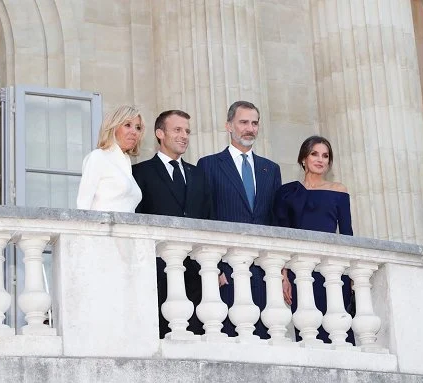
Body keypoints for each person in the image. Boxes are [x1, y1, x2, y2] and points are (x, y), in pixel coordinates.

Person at [197, 101, 282, 339]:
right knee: (229, 338)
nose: (250, 128)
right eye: (243, 122)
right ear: (229, 126)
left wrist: (281, 270)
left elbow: (275, 221)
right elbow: (205, 218)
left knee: (267, 339)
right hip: (226, 270)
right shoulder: (209, 165)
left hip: (265, 272)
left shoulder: (271, 169)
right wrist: (213, 267)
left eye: (254, 123)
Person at [132, 110, 212, 338]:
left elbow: (208, 219)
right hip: (157, 272)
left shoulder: (199, 175)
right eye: (177, 130)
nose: (184, 135)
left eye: (187, 131)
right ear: (160, 133)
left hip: (197, 274)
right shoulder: (139, 173)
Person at [274, 135, 354, 344]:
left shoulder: (338, 190)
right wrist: (283, 275)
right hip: (300, 270)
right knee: (308, 332)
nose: (320, 159)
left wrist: (353, 274)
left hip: (332, 271)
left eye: (325, 156)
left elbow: (347, 234)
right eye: (314, 154)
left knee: (337, 332)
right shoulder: (286, 192)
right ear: (303, 159)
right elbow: (282, 234)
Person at [77, 105, 145, 212]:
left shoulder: (126, 163)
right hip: (101, 227)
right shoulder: (98, 157)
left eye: (138, 127)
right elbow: (83, 205)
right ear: (113, 128)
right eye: (127, 125)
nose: (134, 132)